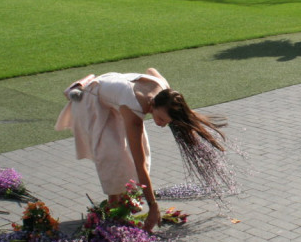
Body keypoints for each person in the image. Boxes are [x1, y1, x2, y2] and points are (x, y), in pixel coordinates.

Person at [55, 70, 229, 232]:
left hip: (116, 96)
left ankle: (125, 199)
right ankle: (113, 207)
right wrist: (153, 206)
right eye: (160, 118)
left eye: (166, 122)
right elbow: (140, 166)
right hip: (93, 100)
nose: (161, 124)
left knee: (142, 150)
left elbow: (151, 70)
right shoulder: (134, 108)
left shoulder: (164, 90)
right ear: (153, 104)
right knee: (112, 153)